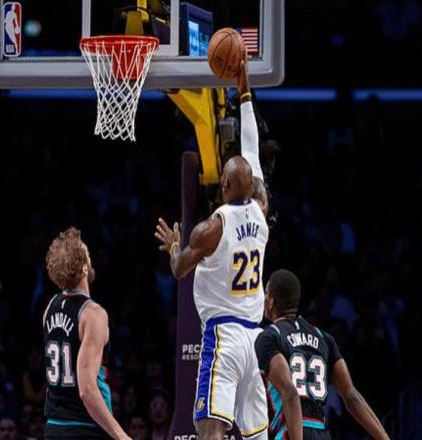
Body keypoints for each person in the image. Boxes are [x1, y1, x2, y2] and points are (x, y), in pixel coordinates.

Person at [155, 57, 269, 440]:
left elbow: (179, 269)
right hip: (255, 337)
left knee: (209, 428)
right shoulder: (262, 210)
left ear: (224, 186)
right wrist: (244, 89)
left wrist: (174, 246)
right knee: (257, 435)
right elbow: (251, 147)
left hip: (223, 336)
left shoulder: (211, 228)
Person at [255, 269, 390, 440]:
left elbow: (290, 393)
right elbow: (351, 396)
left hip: (291, 430)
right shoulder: (323, 338)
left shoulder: (270, 336)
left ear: (271, 302)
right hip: (321, 432)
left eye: (266, 293)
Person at [43, 227, 130, 440]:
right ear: (83, 268)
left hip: (54, 426)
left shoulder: (50, 307)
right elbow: (87, 389)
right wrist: (122, 436)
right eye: (88, 255)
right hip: (85, 427)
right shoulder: (93, 314)